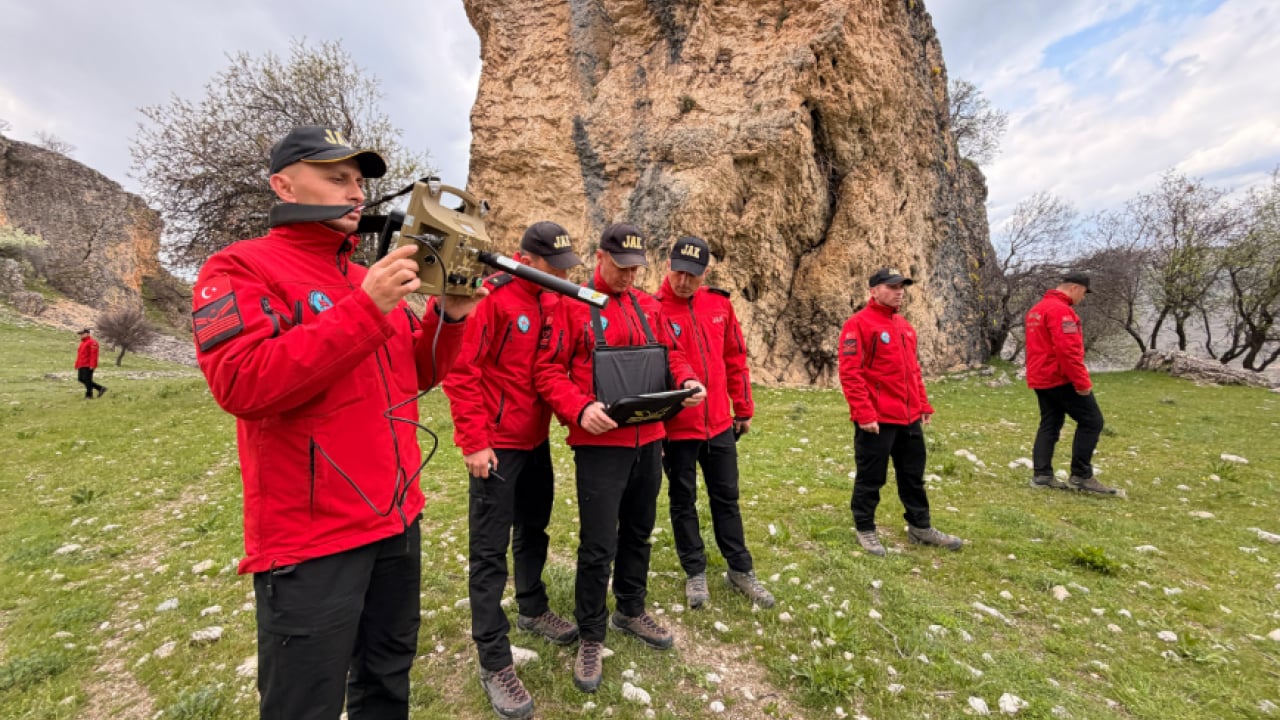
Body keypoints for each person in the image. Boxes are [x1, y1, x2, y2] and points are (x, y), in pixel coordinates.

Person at [190, 125, 483, 719]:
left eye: (358, 181)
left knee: (387, 676)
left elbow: (413, 374)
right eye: (336, 178)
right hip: (311, 538)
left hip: (397, 517)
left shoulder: (360, 278)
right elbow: (242, 383)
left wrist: (450, 319)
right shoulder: (237, 268)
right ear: (283, 184)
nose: (354, 193)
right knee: (305, 701)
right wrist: (366, 307)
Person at [534, 223, 706, 693]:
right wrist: (579, 408)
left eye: (637, 269)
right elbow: (547, 372)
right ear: (599, 257)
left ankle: (631, 608)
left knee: (638, 531)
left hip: (649, 440)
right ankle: (592, 632)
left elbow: (675, 355)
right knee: (597, 545)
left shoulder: (648, 307)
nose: (630, 277)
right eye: (622, 267)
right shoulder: (573, 306)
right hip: (599, 447)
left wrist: (689, 381)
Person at [442, 221, 584, 719]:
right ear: (531, 259)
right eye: (556, 266)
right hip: (495, 448)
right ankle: (493, 658)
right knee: (487, 553)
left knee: (533, 529)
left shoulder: (556, 299)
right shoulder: (494, 297)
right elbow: (462, 371)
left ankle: (531, 607)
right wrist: (474, 443)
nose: (564, 274)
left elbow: (562, 363)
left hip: (535, 439)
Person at [654, 236, 774, 610]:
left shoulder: (720, 305)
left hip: (720, 422)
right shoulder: (654, 310)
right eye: (678, 271)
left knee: (727, 498)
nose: (683, 281)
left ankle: (740, 569)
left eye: (692, 274)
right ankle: (695, 572)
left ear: (705, 273)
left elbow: (735, 357)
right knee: (683, 500)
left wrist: (744, 408)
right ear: (667, 264)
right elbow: (661, 364)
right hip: (678, 428)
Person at [838, 267, 962, 556]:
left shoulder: (904, 326)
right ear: (874, 290)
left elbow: (912, 371)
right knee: (871, 476)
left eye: (902, 287)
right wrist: (864, 413)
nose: (899, 292)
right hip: (877, 421)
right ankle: (866, 528)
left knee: (912, 475)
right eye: (892, 287)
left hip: (908, 418)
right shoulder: (858, 325)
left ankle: (920, 527)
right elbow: (850, 373)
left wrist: (923, 404)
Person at [1024, 272, 1119, 496]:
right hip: (1060, 377)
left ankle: (1042, 475)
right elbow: (1068, 351)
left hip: (1040, 376)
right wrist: (1081, 382)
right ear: (1075, 288)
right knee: (1092, 421)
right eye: (1084, 293)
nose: (1083, 298)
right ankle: (1081, 475)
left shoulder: (1038, 309)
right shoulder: (1061, 311)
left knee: (1050, 423)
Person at [74, 328, 106, 398]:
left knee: (87, 380)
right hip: (81, 364)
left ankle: (89, 395)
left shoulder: (92, 342)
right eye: (80, 334)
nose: (81, 335)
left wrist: (92, 365)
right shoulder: (82, 343)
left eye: (82, 334)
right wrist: (77, 364)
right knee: (81, 379)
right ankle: (100, 388)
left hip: (88, 365)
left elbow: (94, 355)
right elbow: (80, 355)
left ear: (87, 334)